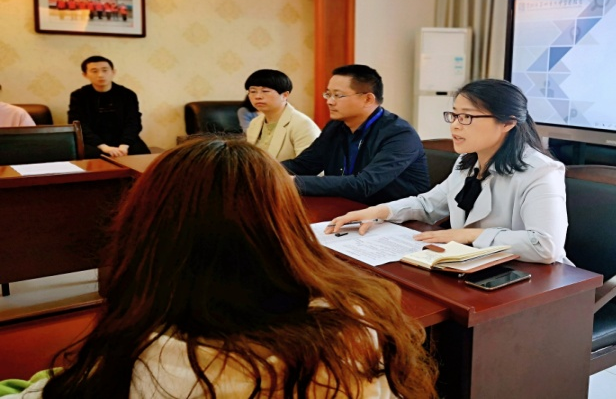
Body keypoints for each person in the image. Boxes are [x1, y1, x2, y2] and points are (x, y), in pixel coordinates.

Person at [6, 137, 437, 398]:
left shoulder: (138, 353)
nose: (331, 100)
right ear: (285, 227)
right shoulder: (355, 326)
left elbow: (371, 185)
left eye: (338, 94)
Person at [330, 79, 570, 265]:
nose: (455, 124)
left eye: (467, 117)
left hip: (533, 280)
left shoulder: (541, 171)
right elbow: (428, 205)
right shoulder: (467, 161)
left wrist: (470, 235)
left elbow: (545, 246)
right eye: (454, 115)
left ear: (508, 123)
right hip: (474, 265)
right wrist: (377, 212)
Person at [282, 64, 429, 205]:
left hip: (396, 214)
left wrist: (292, 181)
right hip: (346, 206)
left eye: (338, 95)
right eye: (328, 94)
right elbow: (305, 165)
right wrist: (270, 171)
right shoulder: (336, 127)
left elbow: (365, 184)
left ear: (368, 99)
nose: (329, 102)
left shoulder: (400, 134)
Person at [68, 55, 150, 158]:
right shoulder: (79, 96)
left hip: (123, 140)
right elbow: (78, 125)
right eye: (94, 71)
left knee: (141, 154)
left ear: (113, 72)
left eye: (105, 70)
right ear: (85, 75)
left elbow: (133, 122)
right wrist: (103, 147)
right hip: (93, 142)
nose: (100, 75)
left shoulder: (127, 94)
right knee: (92, 155)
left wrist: (124, 145)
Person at [244, 69, 320, 162]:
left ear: (285, 95)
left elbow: (310, 165)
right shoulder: (254, 123)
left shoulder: (302, 124)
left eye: (265, 91)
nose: (258, 96)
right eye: (253, 91)